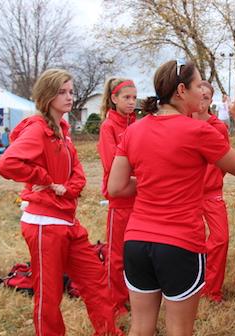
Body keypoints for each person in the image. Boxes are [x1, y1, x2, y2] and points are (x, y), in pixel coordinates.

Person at [107, 59, 235, 336]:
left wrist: (154, 181)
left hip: (137, 242)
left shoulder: (133, 130)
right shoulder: (199, 131)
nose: (203, 92)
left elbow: (115, 188)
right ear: (182, 90)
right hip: (180, 244)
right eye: (200, 85)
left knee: (140, 329)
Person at [0, 69, 122, 336]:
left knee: (96, 281)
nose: (69, 97)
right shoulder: (38, 129)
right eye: (61, 92)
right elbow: (7, 163)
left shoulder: (63, 130)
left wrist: (65, 188)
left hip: (67, 220)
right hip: (44, 224)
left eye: (71, 91)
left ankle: (109, 332)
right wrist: (42, 177)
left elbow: (78, 174)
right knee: (49, 294)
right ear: (47, 95)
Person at [97, 77, 137, 316]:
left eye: (134, 97)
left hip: (138, 196)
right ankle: (115, 302)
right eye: (126, 98)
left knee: (134, 253)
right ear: (114, 99)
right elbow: (112, 165)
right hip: (120, 199)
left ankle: (133, 295)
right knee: (116, 254)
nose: (132, 102)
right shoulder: (108, 127)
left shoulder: (136, 124)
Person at [192, 80, 230, 302]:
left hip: (211, 193)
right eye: (199, 94)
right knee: (188, 240)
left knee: (220, 238)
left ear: (211, 100)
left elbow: (225, 161)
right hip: (187, 193)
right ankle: (192, 284)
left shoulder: (218, 127)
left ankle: (212, 291)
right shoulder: (183, 123)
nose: (202, 99)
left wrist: (212, 179)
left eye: (207, 96)